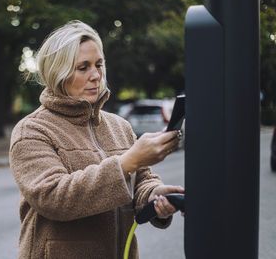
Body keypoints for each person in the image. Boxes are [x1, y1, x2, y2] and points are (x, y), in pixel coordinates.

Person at [9, 20, 184, 259]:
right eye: (83, 67)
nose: (96, 75)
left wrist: (155, 196)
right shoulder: (31, 131)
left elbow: (142, 182)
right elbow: (54, 198)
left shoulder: (119, 126)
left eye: (99, 64)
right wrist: (126, 163)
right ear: (58, 73)